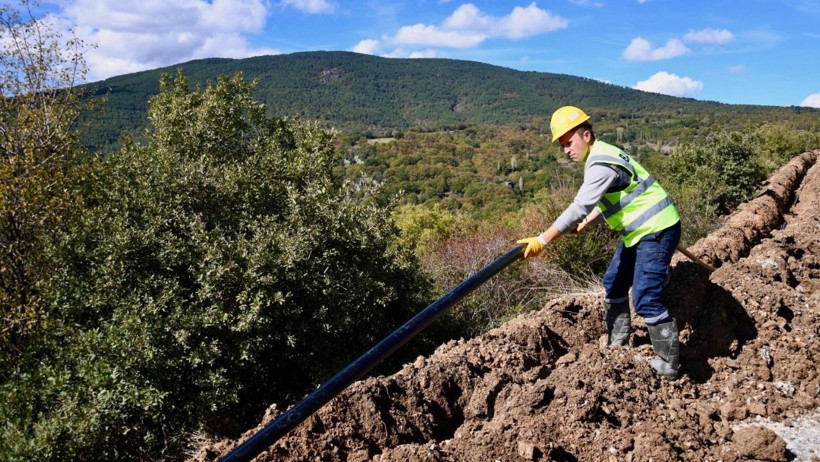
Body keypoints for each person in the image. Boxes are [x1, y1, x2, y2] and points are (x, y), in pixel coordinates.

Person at [517, 106, 682, 378]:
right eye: (562, 146)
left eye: (569, 142)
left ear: (587, 134)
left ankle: (669, 364)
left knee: (645, 298)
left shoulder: (600, 164)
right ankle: (618, 345)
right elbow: (612, 199)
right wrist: (587, 223)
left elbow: (579, 206)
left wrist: (542, 240)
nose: (567, 150)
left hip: (656, 230)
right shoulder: (604, 153)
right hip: (639, 232)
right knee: (614, 285)